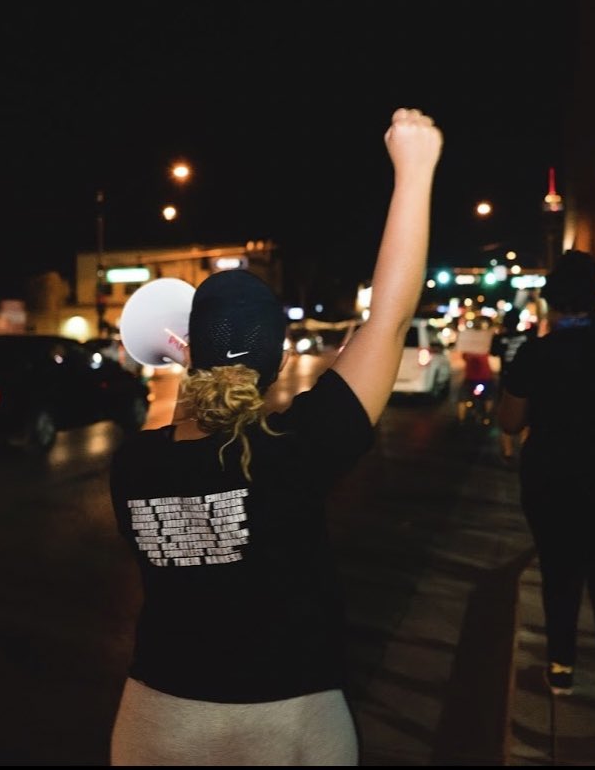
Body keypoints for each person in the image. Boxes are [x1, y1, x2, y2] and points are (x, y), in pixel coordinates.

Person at [106, 108, 443, 766]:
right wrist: (414, 169)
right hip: (291, 724)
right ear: (280, 362)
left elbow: (178, 433)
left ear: (188, 351)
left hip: (158, 720)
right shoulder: (298, 449)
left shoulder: (133, 466)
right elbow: (391, 315)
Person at [496, 249, 595, 757]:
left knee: (560, 572)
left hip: (551, 485)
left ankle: (562, 664)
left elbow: (509, 421)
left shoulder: (536, 355)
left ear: (550, 303)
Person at [489, 310, 532, 461]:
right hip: (528, 380)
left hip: (507, 380)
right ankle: (524, 447)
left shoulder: (499, 338)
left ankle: (508, 451)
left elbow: (493, 353)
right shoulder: (527, 337)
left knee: (506, 416)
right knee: (527, 416)